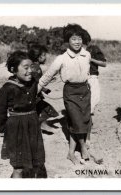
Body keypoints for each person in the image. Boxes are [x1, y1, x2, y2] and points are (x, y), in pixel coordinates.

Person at [38, 24, 91, 165]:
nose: (77, 42)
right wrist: (36, 89)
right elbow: (48, 75)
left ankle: (71, 153)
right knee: (77, 121)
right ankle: (83, 147)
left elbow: (87, 73)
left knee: (82, 121)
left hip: (85, 91)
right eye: (74, 39)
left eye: (79, 38)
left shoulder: (87, 55)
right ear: (68, 40)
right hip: (71, 92)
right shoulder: (61, 58)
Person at [0, 51, 46, 178]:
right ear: (13, 70)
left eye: (31, 67)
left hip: (33, 125)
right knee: (18, 167)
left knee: (36, 161)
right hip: (16, 127)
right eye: (25, 68)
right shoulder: (8, 88)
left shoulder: (33, 83)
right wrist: (3, 128)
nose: (29, 71)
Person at [28, 44, 59, 132]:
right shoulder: (36, 68)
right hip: (34, 95)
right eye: (44, 55)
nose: (45, 57)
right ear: (38, 57)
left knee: (39, 109)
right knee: (42, 108)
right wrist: (45, 87)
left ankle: (38, 125)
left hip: (34, 93)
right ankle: (42, 125)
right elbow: (37, 82)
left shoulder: (32, 66)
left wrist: (45, 88)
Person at [86, 44, 107, 144]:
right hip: (80, 79)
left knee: (91, 105)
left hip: (92, 78)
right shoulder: (75, 50)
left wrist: (91, 60)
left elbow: (104, 63)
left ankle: (88, 134)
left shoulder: (92, 48)